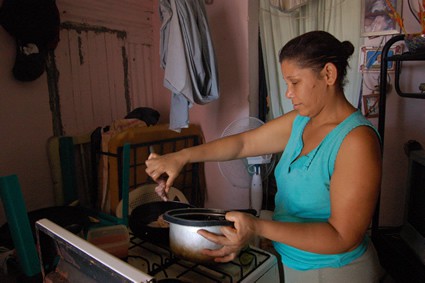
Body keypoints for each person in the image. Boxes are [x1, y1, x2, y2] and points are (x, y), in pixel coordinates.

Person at [145, 30, 383, 282]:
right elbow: (242, 143)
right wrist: (182, 156)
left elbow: (342, 237)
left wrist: (257, 227)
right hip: (287, 257)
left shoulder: (356, 141)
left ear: (328, 74)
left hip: (332, 271)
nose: (288, 93)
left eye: (295, 82)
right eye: (286, 84)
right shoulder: (301, 122)